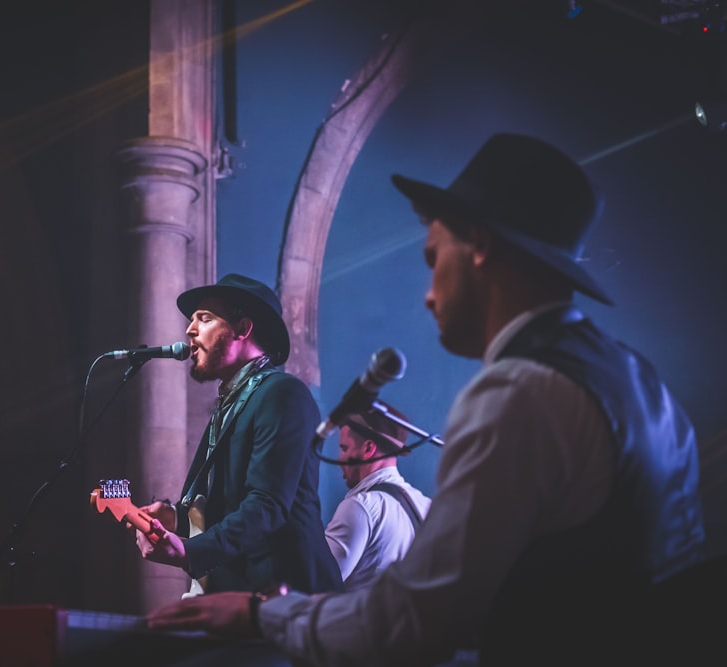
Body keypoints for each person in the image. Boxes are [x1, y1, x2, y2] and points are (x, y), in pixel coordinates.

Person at [144, 134, 710, 666]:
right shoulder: (642, 384)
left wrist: (261, 613)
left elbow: (419, 616)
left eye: (434, 258)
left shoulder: (518, 393)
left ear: (480, 247)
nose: (430, 293)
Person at [133, 273, 343, 597]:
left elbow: (267, 504)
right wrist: (175, 518)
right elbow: (225, 510)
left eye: (204, 319)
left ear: (242, 329)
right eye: (192, 320)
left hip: (290, 602)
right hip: (243, 600)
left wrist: (190, 552)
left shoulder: (282, 394)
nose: (189, 330)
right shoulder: (231, 405)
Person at [325, 401, 431, 591]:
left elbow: (319, 583)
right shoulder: (428, 507)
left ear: (368, 449)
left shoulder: (361, 507)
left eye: (344, 448)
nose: (340, 459)